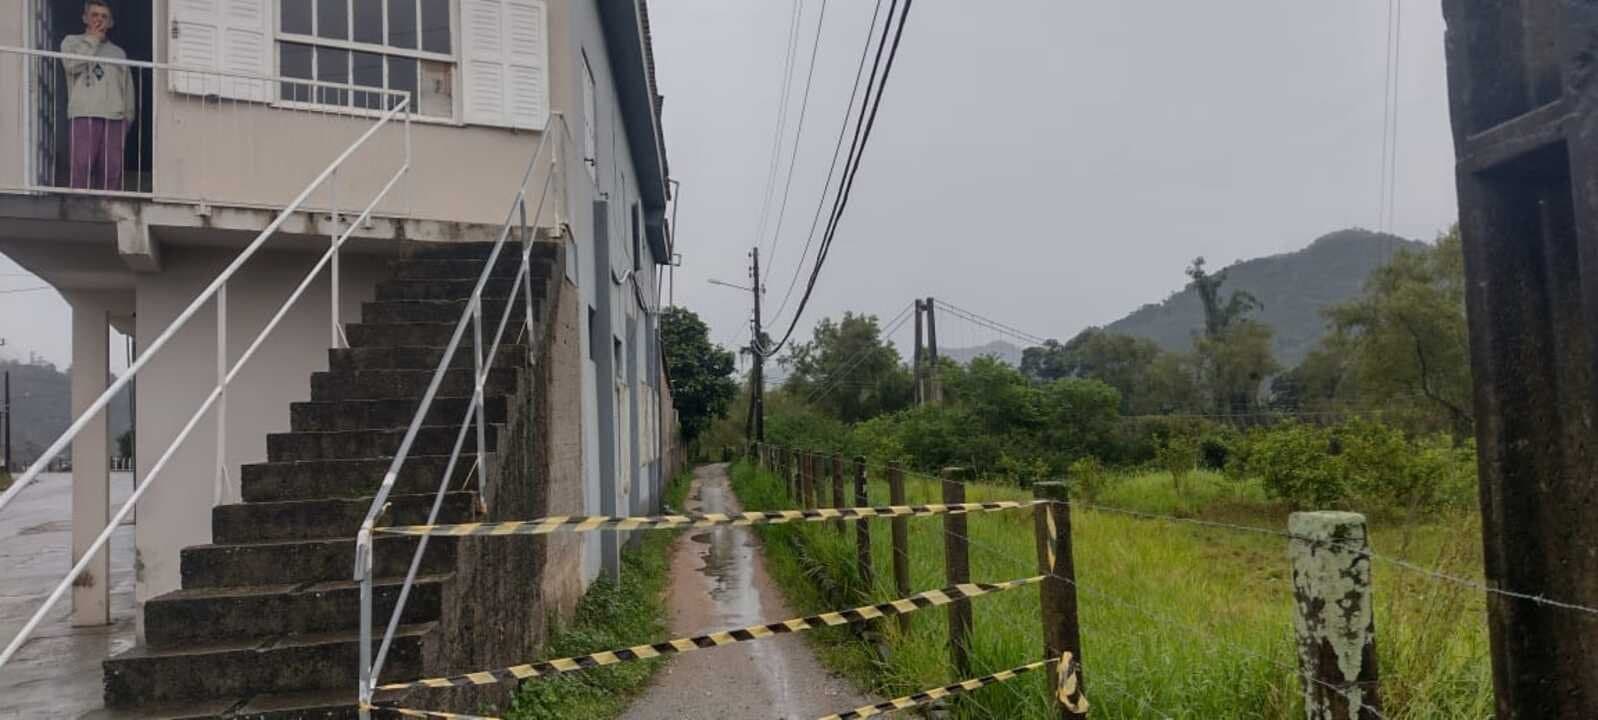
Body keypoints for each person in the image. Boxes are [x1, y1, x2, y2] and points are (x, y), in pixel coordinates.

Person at [61, 0, 136, 191]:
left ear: (111, 23)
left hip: (115, 117)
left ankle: (107, 211)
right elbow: (71, 65)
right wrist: (93, 40)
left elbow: (127, 88)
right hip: (84, 114)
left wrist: (128, 117)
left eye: (104, 17)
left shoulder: (118, 53)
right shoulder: (71, 42)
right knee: (81, 166)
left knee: (111, 170)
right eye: (94, 15)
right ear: (85, 18)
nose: (99, 20)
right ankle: (79, 210)